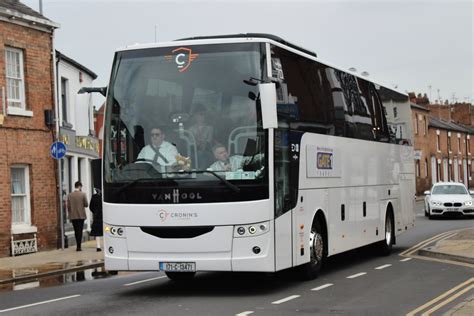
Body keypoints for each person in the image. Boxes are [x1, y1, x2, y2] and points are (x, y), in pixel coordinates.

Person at [67, 181, 88, 251]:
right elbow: (86, 204)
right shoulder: (83, 194)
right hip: (81, 216)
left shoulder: (70, 195)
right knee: (80, 230)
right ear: (79, 186)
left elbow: (68, 207)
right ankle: (79, 246)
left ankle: (77, 245)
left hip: (73, 216)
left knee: (76, 231)